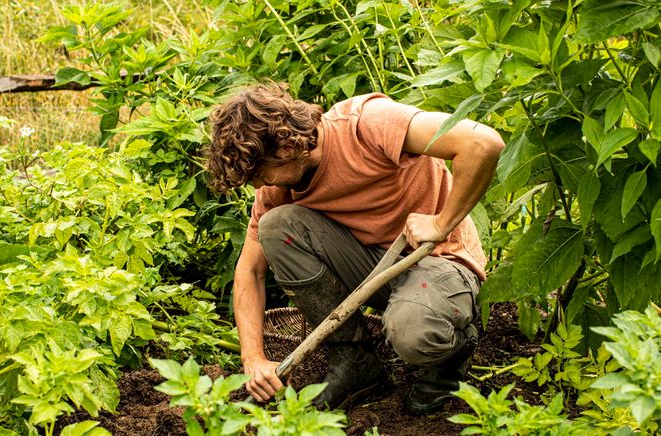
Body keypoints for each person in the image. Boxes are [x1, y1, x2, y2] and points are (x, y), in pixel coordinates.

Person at [203, 83, 503, 414]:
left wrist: (440, 223)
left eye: (261, 172)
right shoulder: (277, 191)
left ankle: (451, 356)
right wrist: (253, 359)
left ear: (287, 145)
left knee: (415, 334)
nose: (259, 184)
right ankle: (355, 360)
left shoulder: (367, 125)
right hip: (377, 267)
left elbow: (482, 143)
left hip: (440, 260)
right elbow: (249, 270)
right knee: (277, 226)